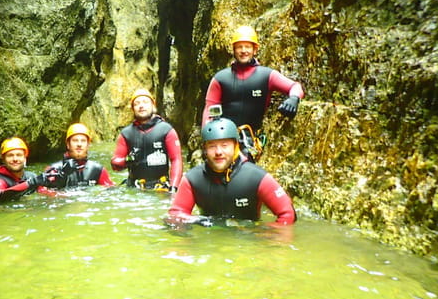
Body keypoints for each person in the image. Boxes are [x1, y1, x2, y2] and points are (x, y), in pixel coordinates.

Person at [201, 24, 305, 160]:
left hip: (252, 140)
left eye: (248, 47)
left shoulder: (267, 76)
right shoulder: (220, 79)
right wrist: (209, 139)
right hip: (224, 139)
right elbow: (208, 111)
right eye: (239, 47)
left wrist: (294, 98)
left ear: (255, 49)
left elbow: (295, 86)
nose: (243, 51)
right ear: (233, 50)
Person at [168, 118, 295, 225]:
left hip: (248, 244)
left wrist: (264, 237)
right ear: (204, 149)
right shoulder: (193, 179)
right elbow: (174, 215)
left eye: (224, 145)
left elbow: (287, 214)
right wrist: (196, 220)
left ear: (236, 147)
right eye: (212, 146)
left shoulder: (255, 177)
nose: (218, 152)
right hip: (209, 243)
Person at [111, 88, 183, 191]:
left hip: (161, 187)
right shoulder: (126, 134)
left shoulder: (166, 130)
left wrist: (174, 188)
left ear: (152, 105)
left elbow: (176, 160)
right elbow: (115, 164)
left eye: (145, 102)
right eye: (137, 103)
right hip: (135, 187)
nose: (141, 106)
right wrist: (128, 160)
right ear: (133, 109)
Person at [42, 123, 115, 188]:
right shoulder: (54, 169)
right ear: (68, 144)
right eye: (75, 140)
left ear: (88, 145)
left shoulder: (98, 170)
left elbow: (111, 190)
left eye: (83, 141)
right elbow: (43, 191)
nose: (79, 144)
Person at [0, 137, 41, 203]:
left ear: (25, 158)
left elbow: (49, 194)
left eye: (19, 155)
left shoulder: (32, 176)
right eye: (10, 155)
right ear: (3, 159)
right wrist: (30, 184)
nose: (15, 159)